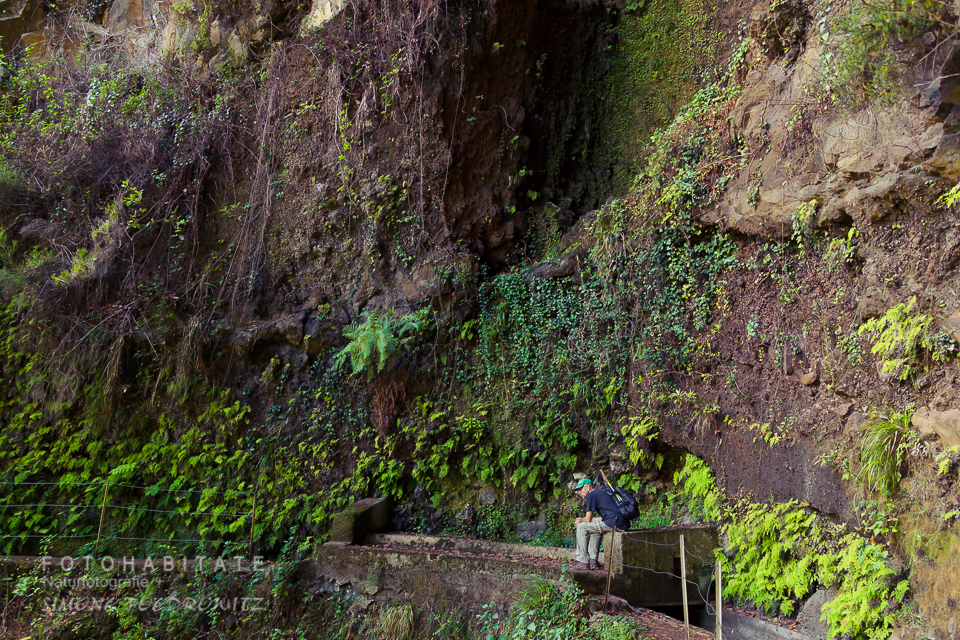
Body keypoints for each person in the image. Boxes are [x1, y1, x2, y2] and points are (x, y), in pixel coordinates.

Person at [570, 477, 627, 570]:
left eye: (580, 489)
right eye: (577, 491)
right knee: (595, 528)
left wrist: (580, 521)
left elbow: (588, 519)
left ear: (588, 487)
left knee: (581, 527)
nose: (579, 493)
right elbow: (602, 518)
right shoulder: (602, 492)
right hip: (621, 522)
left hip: (613, 523)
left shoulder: (591, 495)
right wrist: (582, 519)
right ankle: (593, 561)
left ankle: (582, 561)